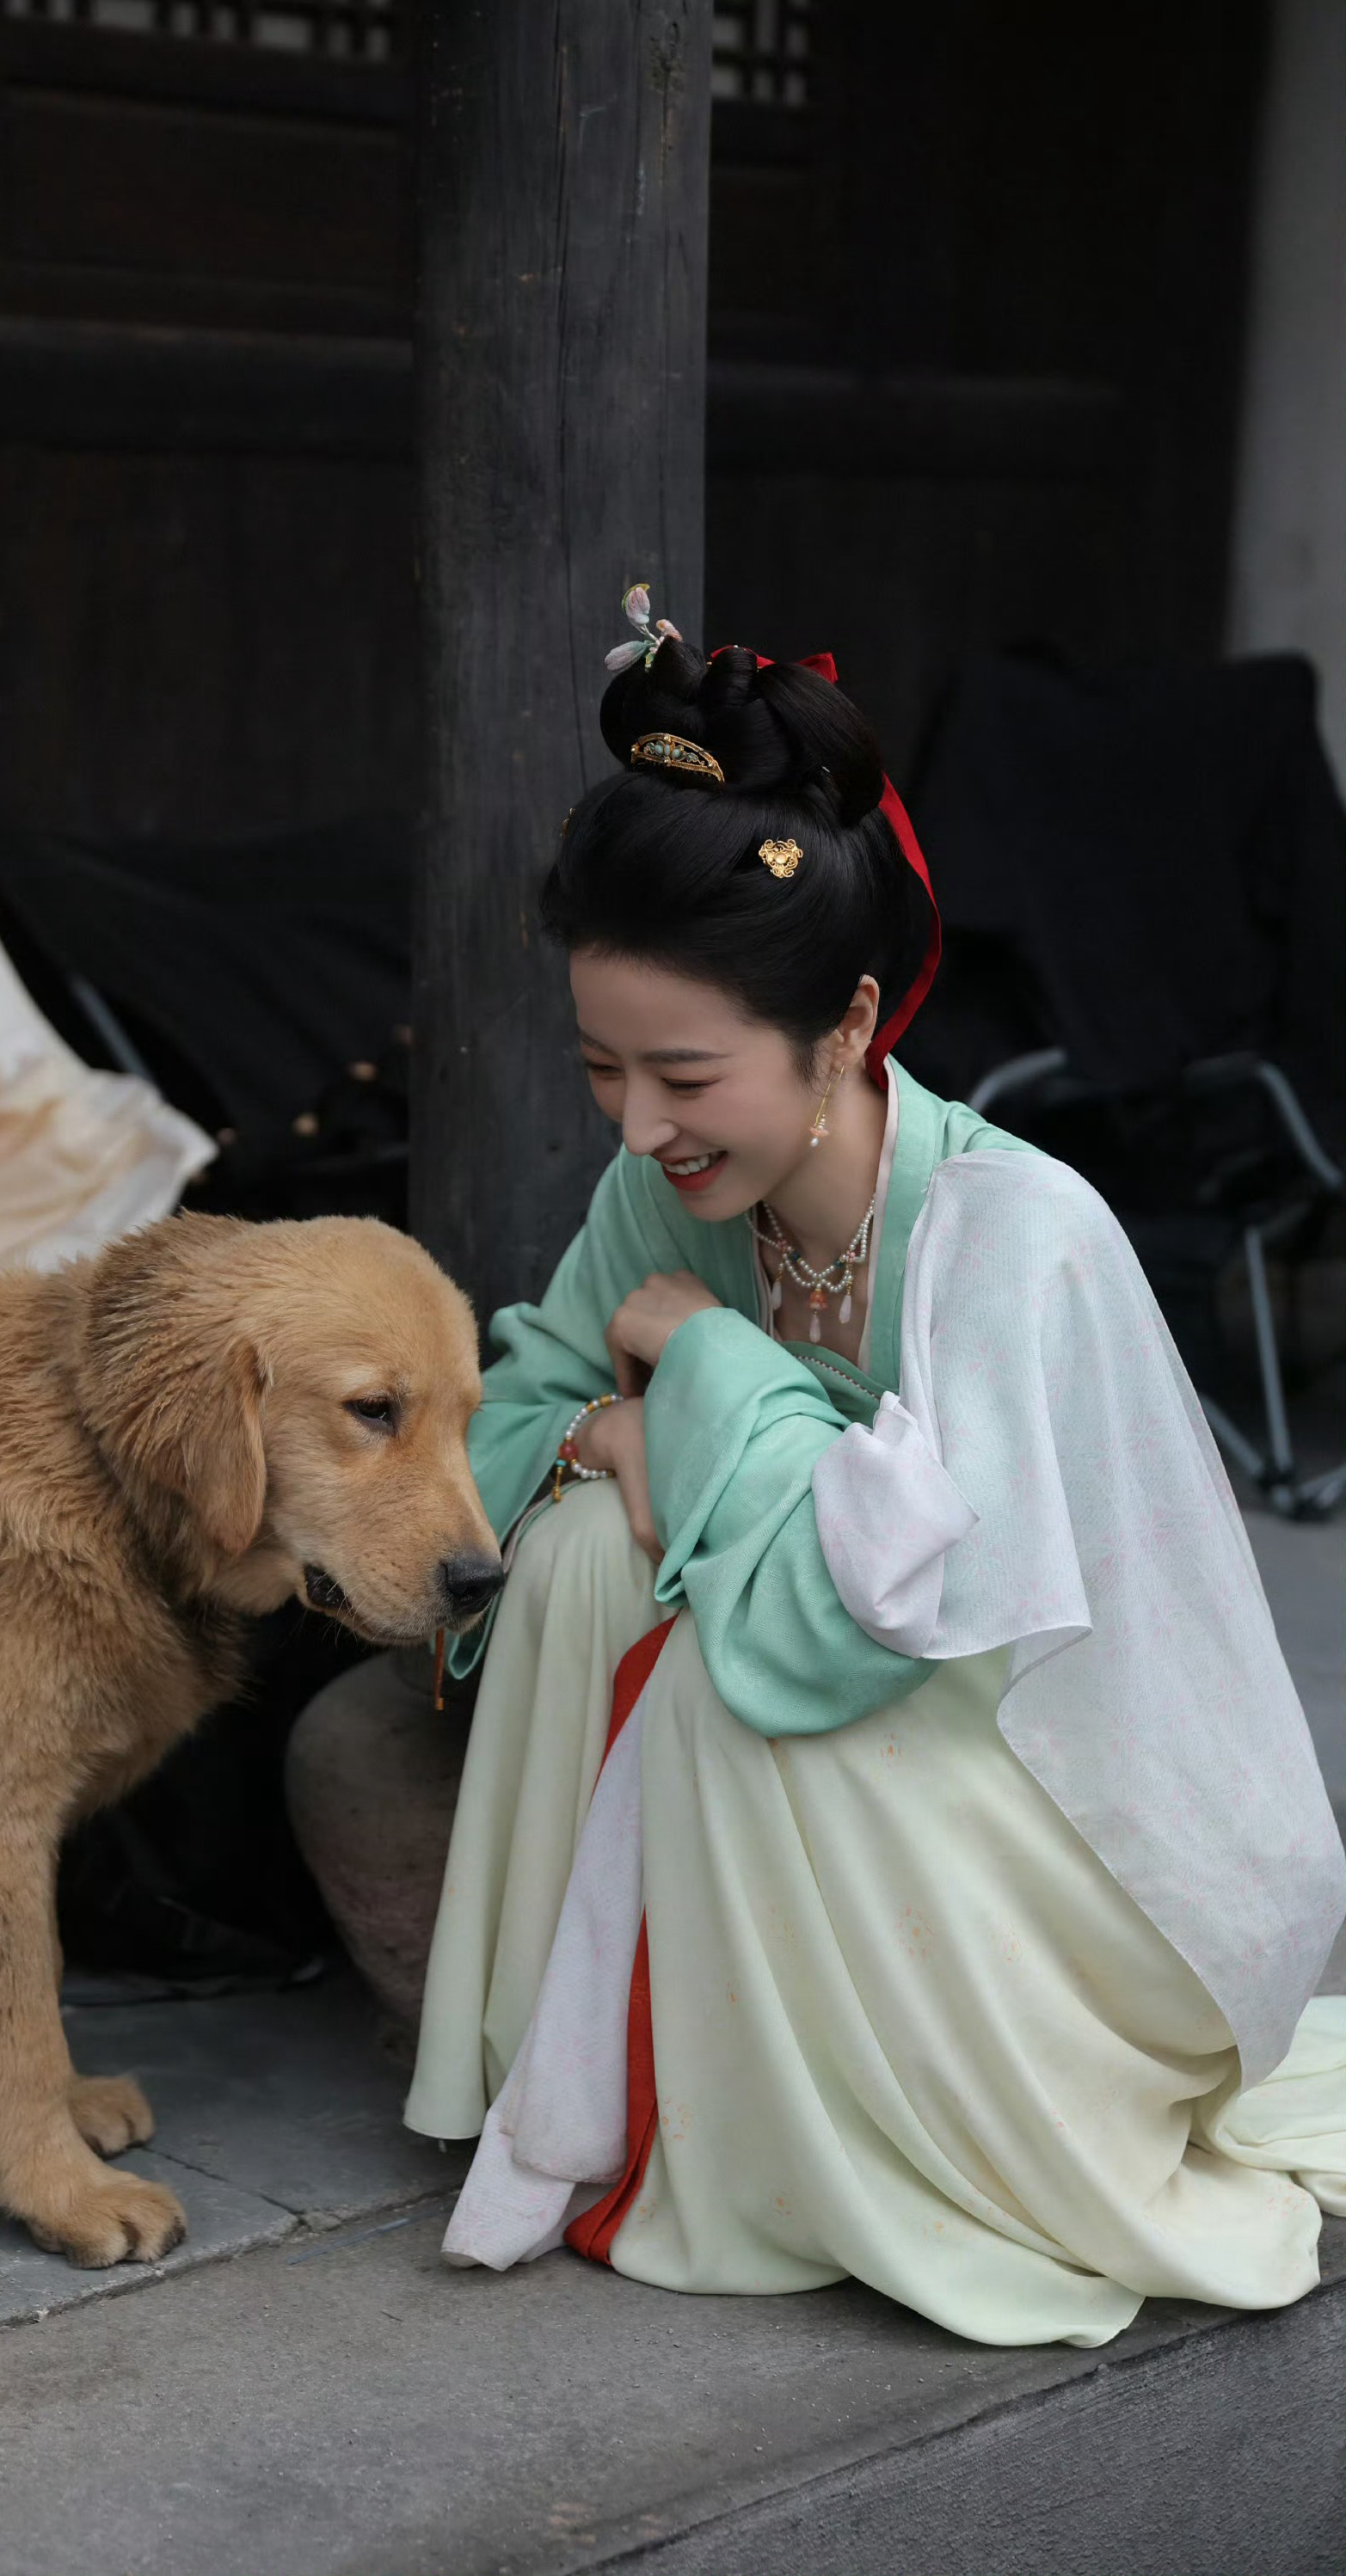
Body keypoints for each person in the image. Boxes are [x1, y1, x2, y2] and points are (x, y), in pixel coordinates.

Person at [403, 601, 1346, 2350]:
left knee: (711, 1658)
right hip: (889, 1748)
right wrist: (629, 1433)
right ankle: (623, 2078)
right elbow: (508, 1431)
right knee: (591, 1566)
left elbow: (853, 1625)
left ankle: (797, 2127)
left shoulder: (1013, 1233)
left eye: (684, 1074)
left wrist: (701, 1374)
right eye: (602, 1067)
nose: (635, 1128)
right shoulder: (668, 1194)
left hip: (1084, 1826)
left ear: (846, 1024)